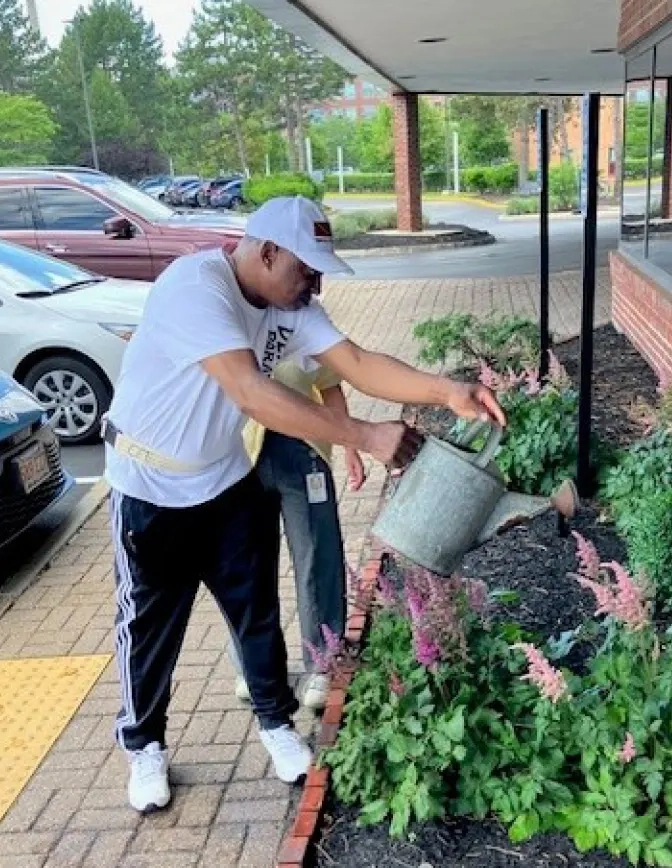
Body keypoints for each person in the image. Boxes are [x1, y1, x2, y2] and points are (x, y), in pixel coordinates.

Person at [101, 195, 506, 812]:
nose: (315, 283)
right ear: (267, 252)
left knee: (256, 611)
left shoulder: (289, 305)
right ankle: (144, 745)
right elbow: (251, 391)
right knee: (152, 625)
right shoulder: (196, 285)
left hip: (224, 479)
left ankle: (275, 723)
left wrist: (447, 390)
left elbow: (359, 363)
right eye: (307, 268)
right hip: (149, 485)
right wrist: (365, 436)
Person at [226, 356, 366, 715]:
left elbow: (331, 387)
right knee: (245, 566)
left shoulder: (301, 319)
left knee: (318, 559)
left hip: (304, 453)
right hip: (239, 457)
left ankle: (322, 663)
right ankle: (253, 668)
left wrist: (351, 448)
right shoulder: (226, 317)